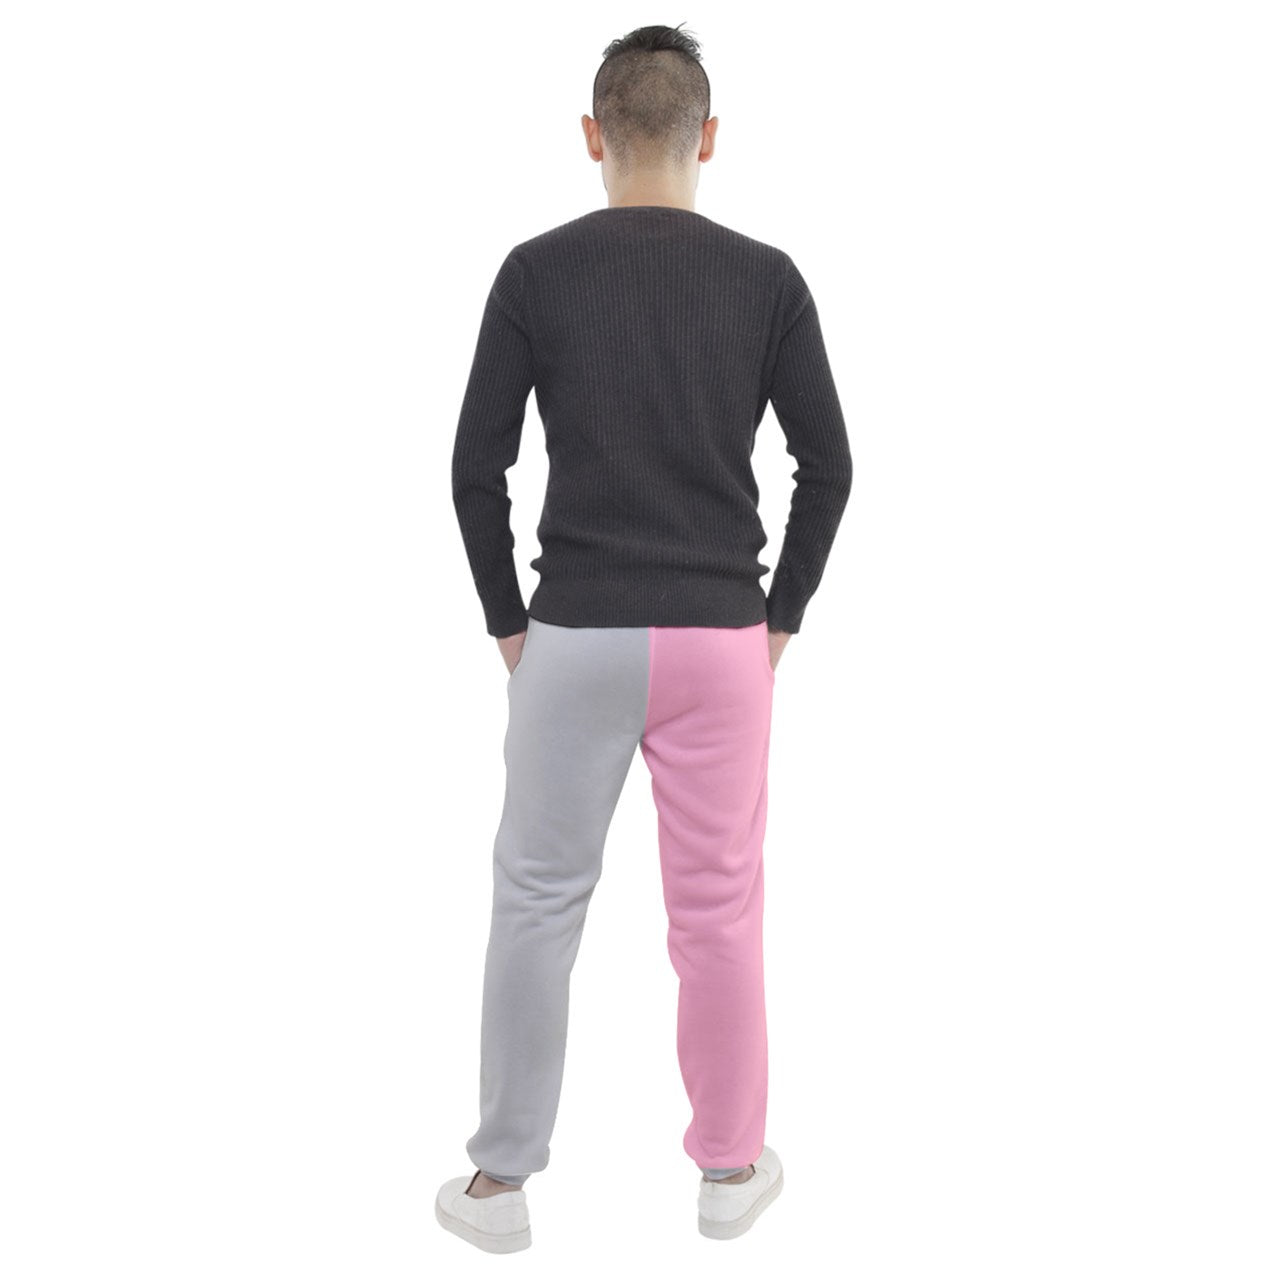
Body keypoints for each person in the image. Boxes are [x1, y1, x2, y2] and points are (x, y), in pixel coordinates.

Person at [435, 23, 853, 1253]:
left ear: (592, 137)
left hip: (572, 633)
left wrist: (509, 624)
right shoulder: (767, 280)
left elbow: (472, 470)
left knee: (534, 900)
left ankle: (498, 1186)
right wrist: (778, 618)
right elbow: (828, 466)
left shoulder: (535, 272)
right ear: (707, 138)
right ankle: (728, 1168)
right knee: (718, 910)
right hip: (722, 640)